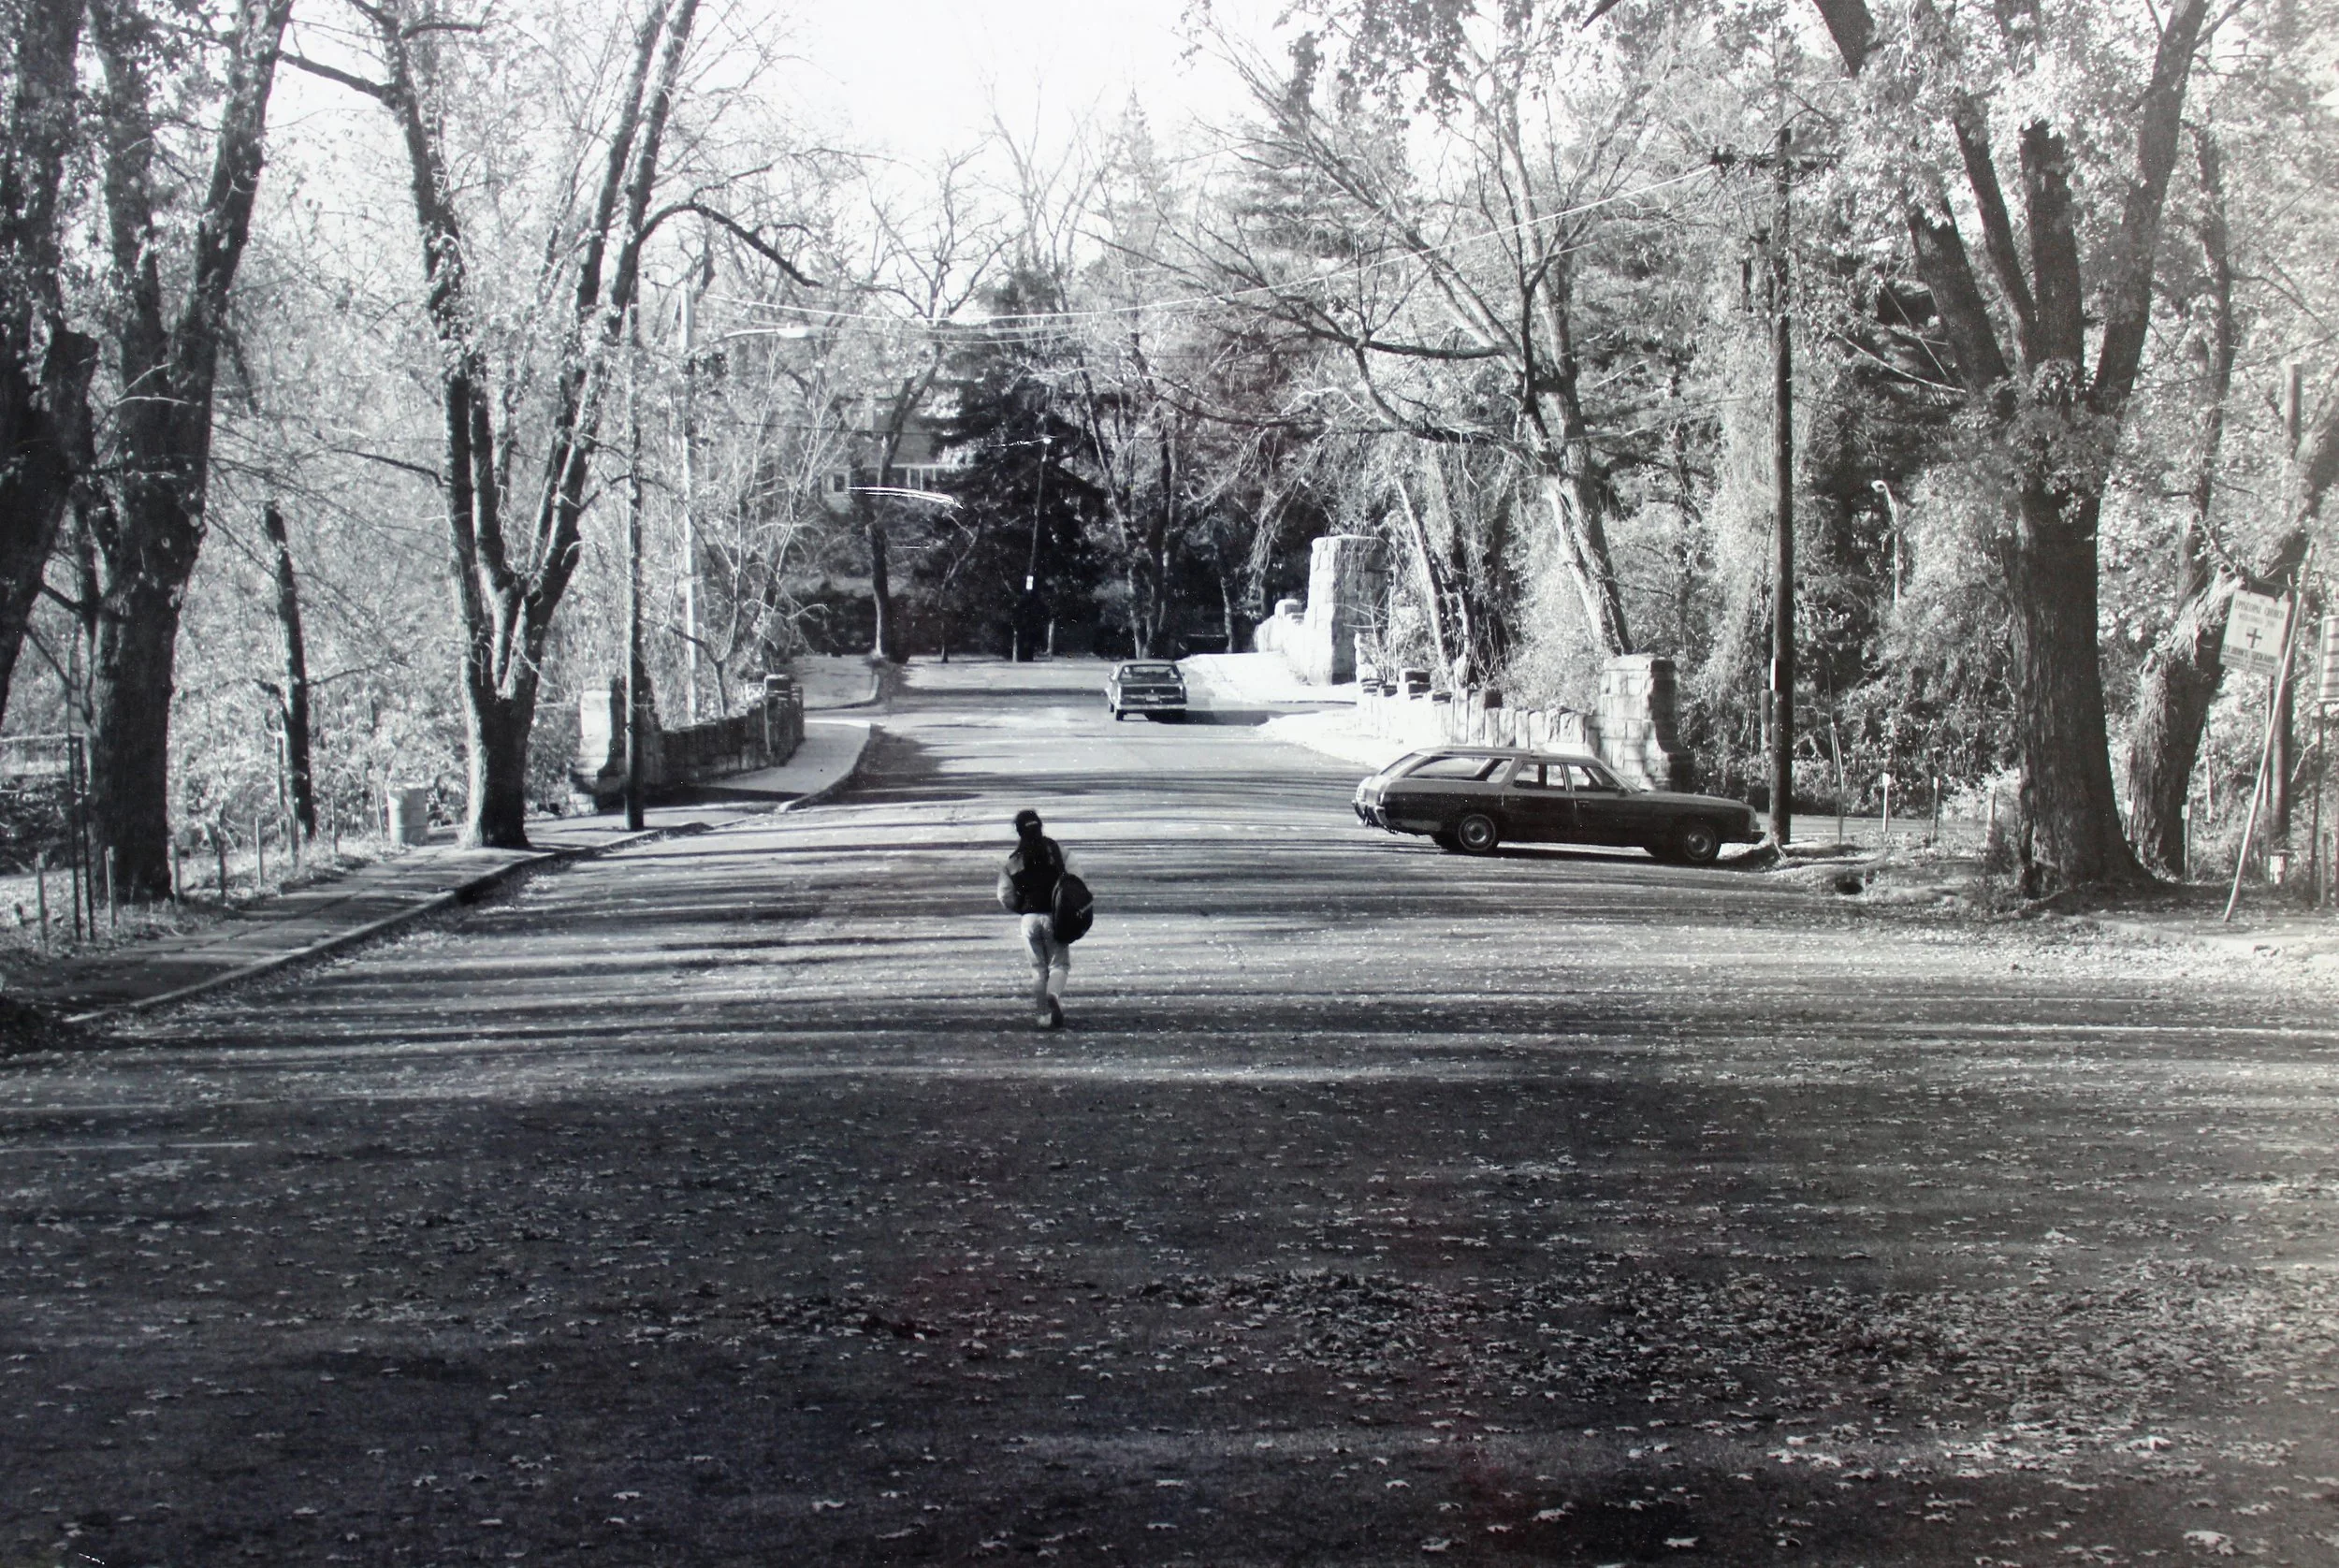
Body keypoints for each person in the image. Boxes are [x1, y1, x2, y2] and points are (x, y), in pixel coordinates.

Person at [997, 808, 1070, 1029]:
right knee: (1059, 964)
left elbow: (1004, 895)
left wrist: (1021, 908)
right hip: (1055, 916)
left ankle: (1043, 1016)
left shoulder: (1013, 862)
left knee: (1038, 968)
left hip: (1029, 918)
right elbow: (1077, 879)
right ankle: (1054, 994)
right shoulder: (1058, 853)